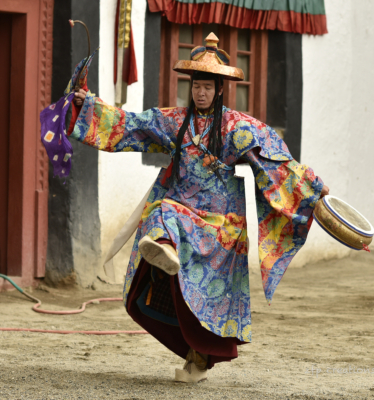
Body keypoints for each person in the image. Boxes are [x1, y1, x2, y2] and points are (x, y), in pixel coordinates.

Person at [70, 33, 329, 383]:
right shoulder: (176, 122)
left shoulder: (237, 128)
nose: (201, 93)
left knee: (178, 241)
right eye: (196, 86)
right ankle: (165, 251)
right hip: (181, 218)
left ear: (219, 89)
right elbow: (131, 124)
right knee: (165, 219)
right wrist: (88, 105)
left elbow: (275, 162)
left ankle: (198, 357)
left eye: (208, 87)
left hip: (221, 227)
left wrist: (311, 189)